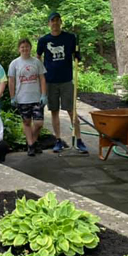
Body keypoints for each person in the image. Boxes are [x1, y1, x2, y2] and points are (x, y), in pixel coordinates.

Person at [37, 11, 88, 153]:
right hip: (50, 81)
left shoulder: (70, 38)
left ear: (61, 22)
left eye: (57, 20)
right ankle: (58, 140)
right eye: (52, 21)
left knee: (72, 111)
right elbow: (38, 57)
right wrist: (40, 74)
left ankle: (79, 140)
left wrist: (78, 55)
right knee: (54, 111)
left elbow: (75, 53)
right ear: (49, 23)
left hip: (66, 80)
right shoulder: (43, 41)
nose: (55, 23)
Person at [8, 38, 47, 157]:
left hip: (36, 98)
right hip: (22, 98)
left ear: (30, 48)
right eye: (22, 47)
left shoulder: (37, 62)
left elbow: (42, 78)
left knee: (39, 123)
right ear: (19, 49)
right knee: (26, 122)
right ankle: (31, 145)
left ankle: (33, 141)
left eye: (27, 46)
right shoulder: (14, 63)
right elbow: (11, 81)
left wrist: (44, 94)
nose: (25, 49)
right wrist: (12, 96)